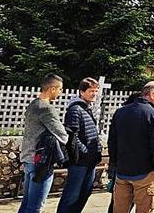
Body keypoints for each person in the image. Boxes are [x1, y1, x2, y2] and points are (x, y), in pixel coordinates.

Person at [109, 81, 154, 213]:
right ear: (152, 94)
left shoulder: (120, 112)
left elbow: (112, 142)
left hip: (123, 172)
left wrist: (115, 164)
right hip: (145, 174)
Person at [18, 74, 68, 213]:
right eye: (60, 89)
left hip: (28, 159)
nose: (60, 92)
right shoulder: (47, 109)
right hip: (41, 162)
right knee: (36, 207)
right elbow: (63, 136)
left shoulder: (33, 104)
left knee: (27, 204)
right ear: (52, 88)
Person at [57, 77, 103, 213]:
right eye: (91, 91)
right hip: (79, 162)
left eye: (96, 91)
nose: (94, 94)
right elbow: (71, 135)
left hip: (90, 162)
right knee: (72, 196)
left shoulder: (87, 108)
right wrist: (85, 152)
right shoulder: (75, 109)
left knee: (85, 193)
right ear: (82, 92)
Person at [107, 92, 141, 213]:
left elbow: (111, 141)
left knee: (117, 202)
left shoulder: (120, 114)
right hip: (132, 167)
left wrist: (113, 161)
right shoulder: (136, 117)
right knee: (124, 201)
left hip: (119, 164)